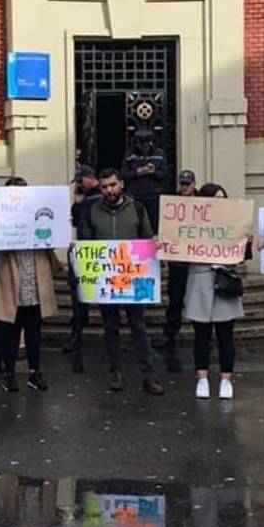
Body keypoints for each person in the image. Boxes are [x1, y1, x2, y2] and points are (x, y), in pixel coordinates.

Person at [78, 168, 164, 395]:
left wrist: (155, 246)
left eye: (113, 185)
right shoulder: (92, 210)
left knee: (139, 327)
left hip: (134, 278)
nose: (109, 190)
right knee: (111, 328)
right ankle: (115, 373)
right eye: (105, 186)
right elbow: (85, 241)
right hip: (105, 281)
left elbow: (147, 238)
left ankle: (149, 375)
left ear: (122, 185)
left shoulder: (137, 207)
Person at [0, 177, 63, 392]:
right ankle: (9, 373)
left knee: (34, 332)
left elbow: (52, 239)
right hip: (13, 285)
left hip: (34, 285)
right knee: (10, 332)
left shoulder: (38, 217)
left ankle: (35, 372)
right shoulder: (0, 220)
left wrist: (60, 224)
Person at [184, 183, 245, 399]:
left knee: (225, 335)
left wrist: (248, 242)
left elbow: (242, 254)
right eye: (216, 199)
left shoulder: (234, 223)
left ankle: (226, 379)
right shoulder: (192, 223)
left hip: (223, 281)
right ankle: (202, 377)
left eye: (223, 198)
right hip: (200, 281)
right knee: (201, 335)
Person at [157, 169, 198, 354]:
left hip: (198, 260)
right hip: (178, 262)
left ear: (194, 184)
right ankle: (170, 332)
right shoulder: (171, 205)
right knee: (175, 298)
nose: (185, 187)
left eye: (188, 183)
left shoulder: (204, 203)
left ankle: (201, 334)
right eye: (182, 183)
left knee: (198, 299)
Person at [62, 166, 100, 354]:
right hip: (84, 252)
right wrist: (77, 204)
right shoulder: (84, 199)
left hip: (100, 255)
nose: (78, 184)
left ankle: (78, 334)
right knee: (78, 299)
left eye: (80, 181)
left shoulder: (102, 196)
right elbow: (76, 222)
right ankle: (76, 333)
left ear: (90, 178)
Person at [121, 129, 170, 231]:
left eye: (146, 142)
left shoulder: (159, 154)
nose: (144, 146)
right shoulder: (129, 155)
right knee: (134, 223)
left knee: (154, 224)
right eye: (141, 143)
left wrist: (153, 172)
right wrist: (137, 172)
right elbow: (124, 174)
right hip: (135, 196)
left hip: (153, 196)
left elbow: (165, 174)